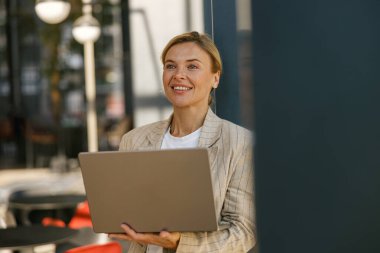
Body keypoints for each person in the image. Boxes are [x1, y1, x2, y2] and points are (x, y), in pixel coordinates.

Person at [109, 31, 255, 253]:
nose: (178, 75)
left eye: (192, 67)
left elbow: (243, 232)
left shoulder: (239, 142)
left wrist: (179, 243)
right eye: (170, 66)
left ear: (215, 78)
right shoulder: (134, 140)